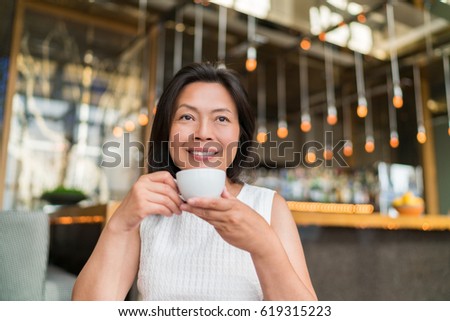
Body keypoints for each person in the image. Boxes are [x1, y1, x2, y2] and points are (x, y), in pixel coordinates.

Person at [72, 62, 317, 301]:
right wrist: (120, 223)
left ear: (240, 136)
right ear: (167, 131)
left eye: (221, 119)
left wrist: (264, 246)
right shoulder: (146, 208)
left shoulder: (268, 206)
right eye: (187, 117)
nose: (202, 133)